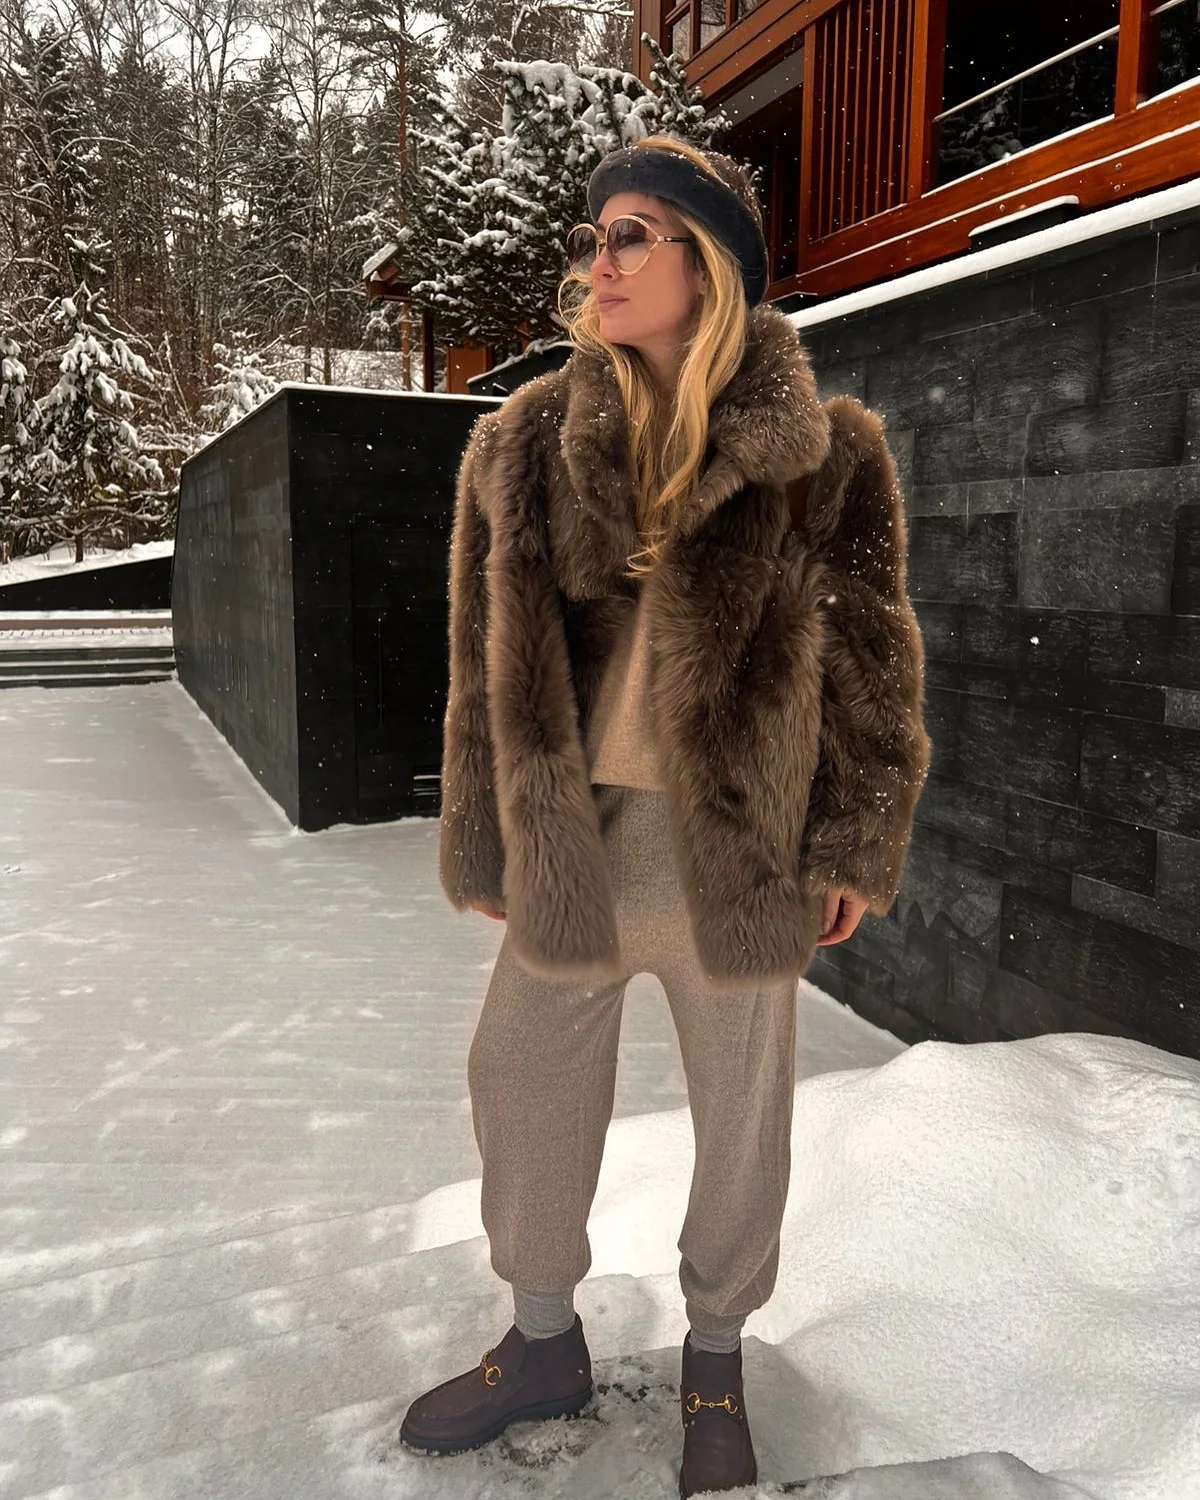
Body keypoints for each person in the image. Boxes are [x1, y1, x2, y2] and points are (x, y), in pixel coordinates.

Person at [401, 135, 932, 1497]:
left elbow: (873, 658)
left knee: (742, 1119)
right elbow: (480, 656)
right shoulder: (523, 443)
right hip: (573, 843)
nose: (601, 261)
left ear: (714, 266)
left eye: (632, 233)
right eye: (594, 237)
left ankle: (716, 1360)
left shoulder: (822, 456)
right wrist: (483, 831)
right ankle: (540, 1342)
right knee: (519, 1083)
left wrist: (853, 840)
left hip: (737, 850)